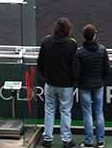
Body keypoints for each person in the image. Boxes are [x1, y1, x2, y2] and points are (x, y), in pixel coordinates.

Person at [37, 18, 78, 148]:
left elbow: (40, 63)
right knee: (65, 111)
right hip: (66, 85)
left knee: (49, 110)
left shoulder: (46, 42)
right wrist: (74, 80)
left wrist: (45, 77)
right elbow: (75, 66)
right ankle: (66, 140)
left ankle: (47, 139)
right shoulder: (72, 44)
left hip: (50, 83)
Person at [72, 24, 111, 148]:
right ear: (94, 36)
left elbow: (76, 73)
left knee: (87, 114)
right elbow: (107, 70)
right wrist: (100, 79)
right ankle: (100, 141)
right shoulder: (102, 50)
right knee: (99, 112)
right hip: (98, 85)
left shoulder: (79, 53)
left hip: (84, 86)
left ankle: (88, 141)